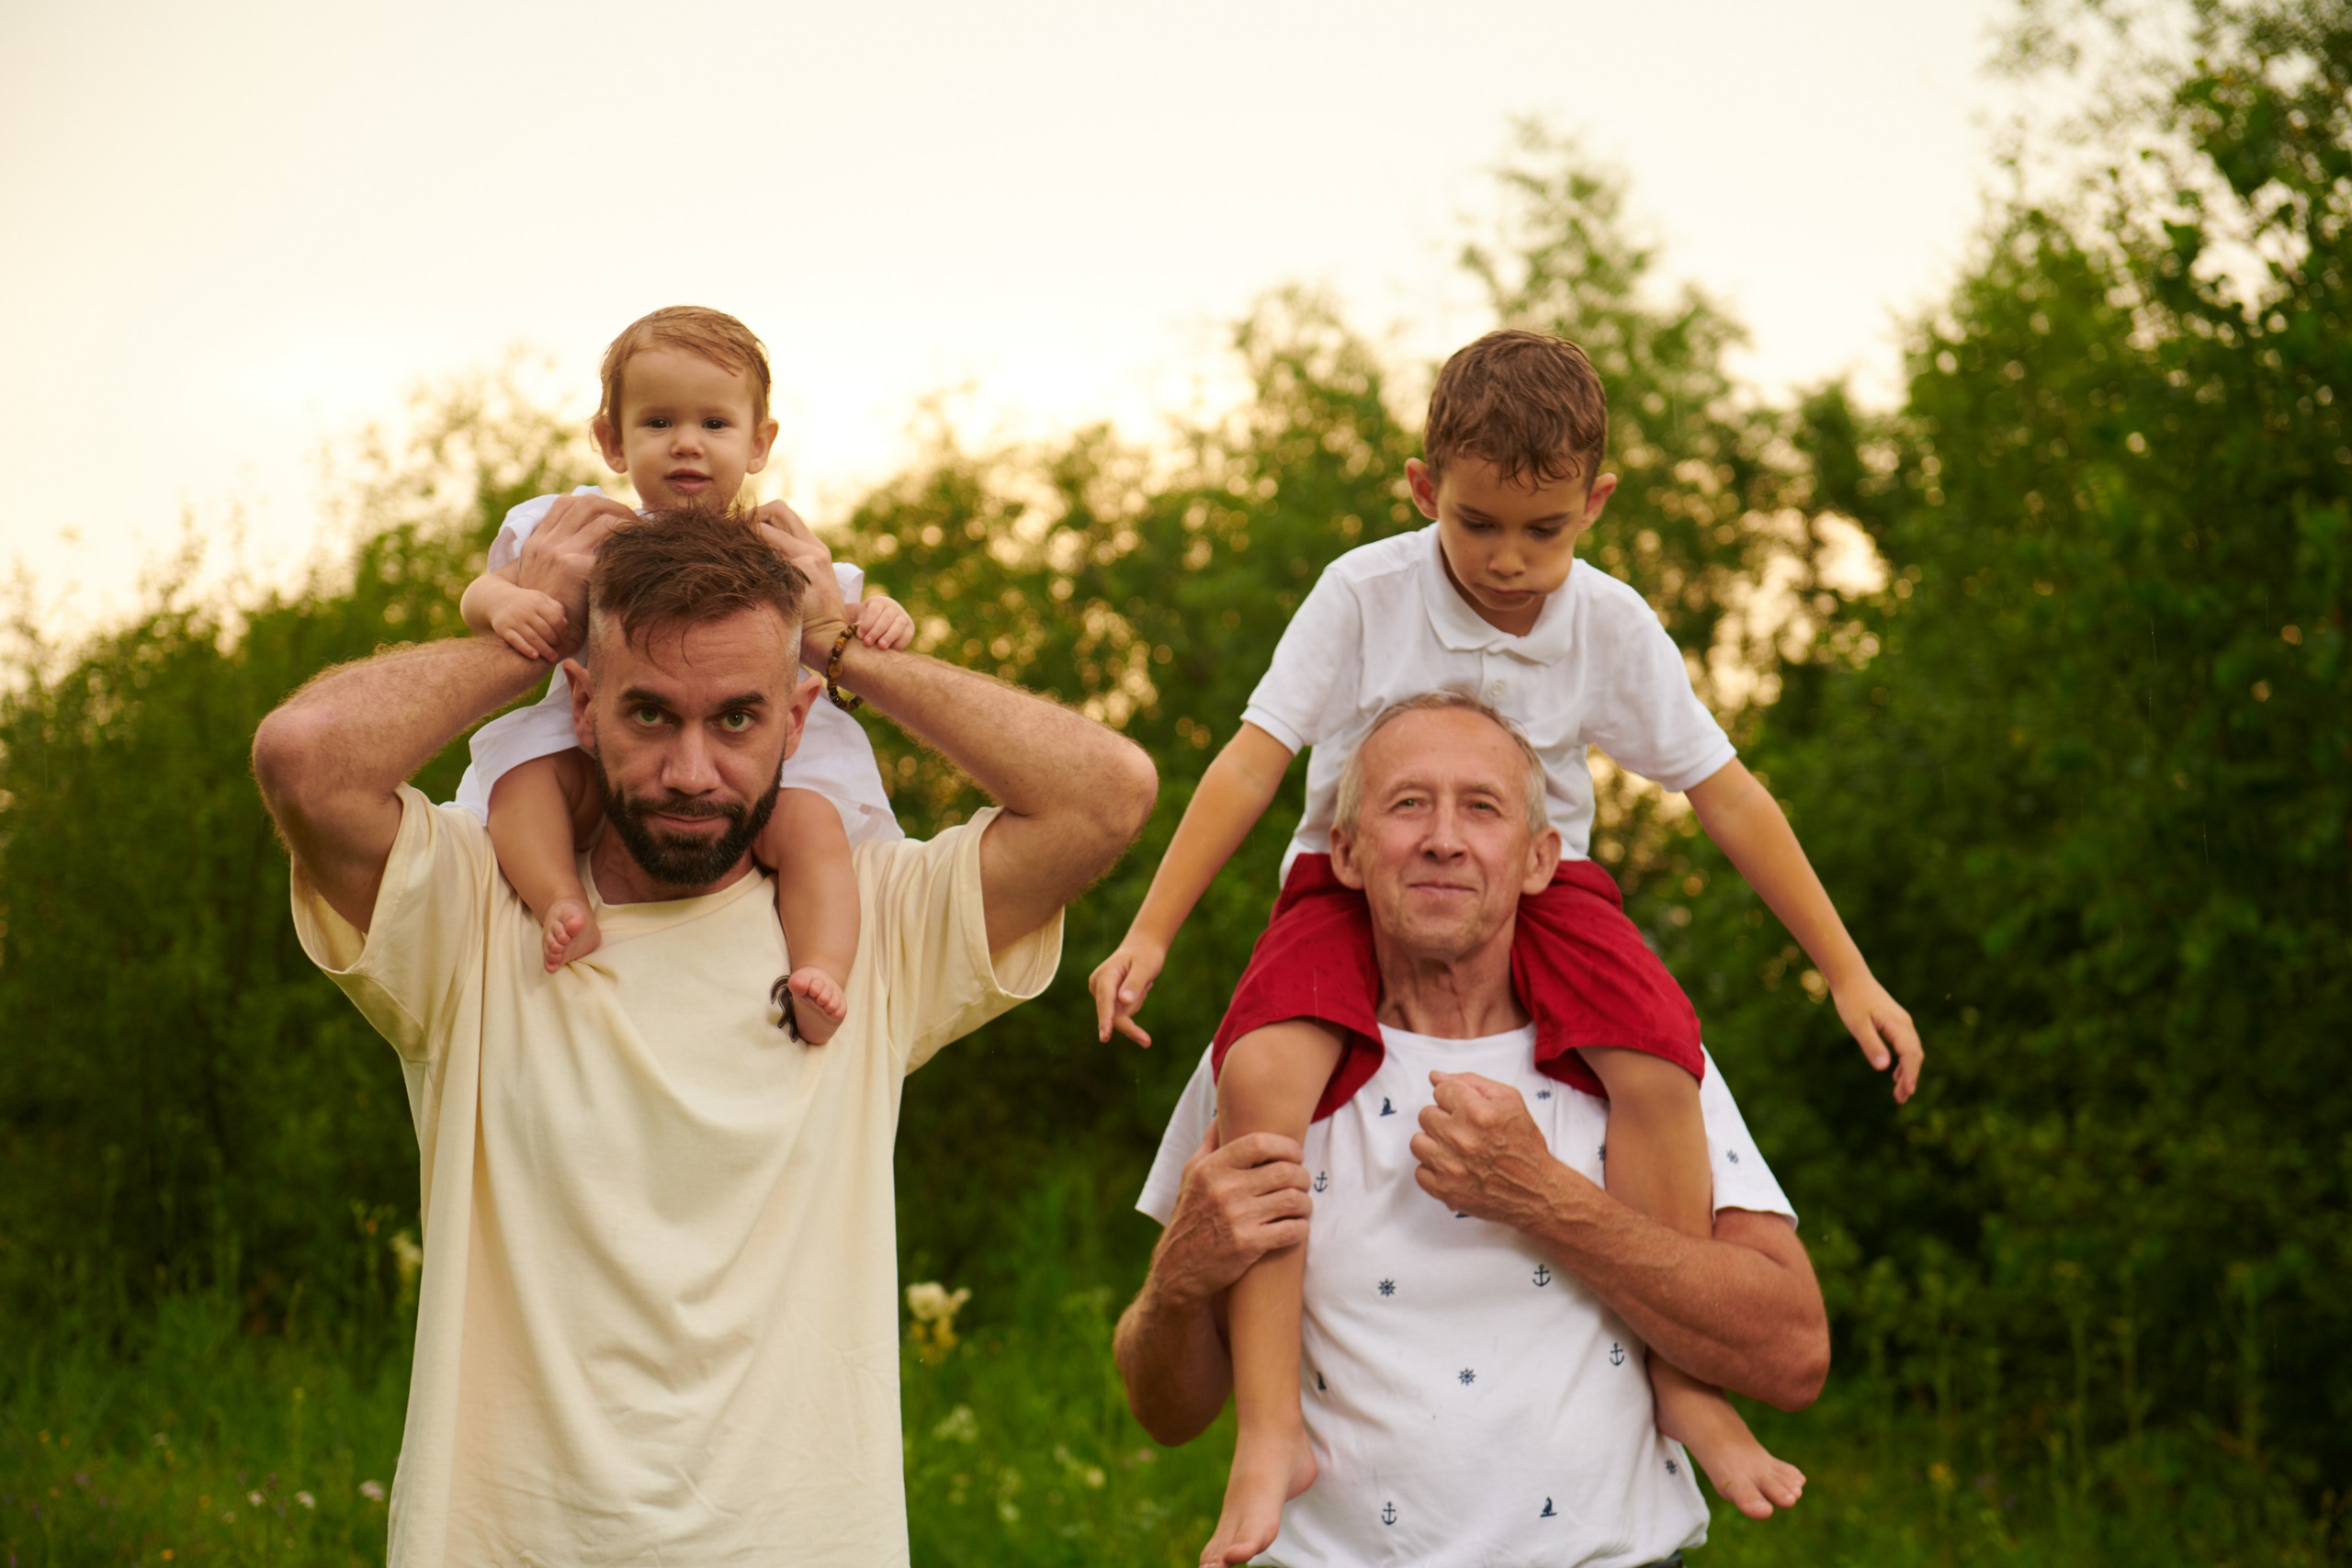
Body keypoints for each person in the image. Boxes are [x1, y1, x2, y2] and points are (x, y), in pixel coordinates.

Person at [1090, 331, 1917, 1562]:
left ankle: (1681, 1387)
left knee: (1656, 1062)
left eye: (1545, 531)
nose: (1510, 561)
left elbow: (1728, 791)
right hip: (1337, 878)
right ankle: (1271, 1430)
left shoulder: (1608, 623)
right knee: (1258, 1073)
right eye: (1479, 525)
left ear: (1596, 505)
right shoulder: (1366, 594)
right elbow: (1255, 759)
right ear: (1423, 489)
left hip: (1558, 889)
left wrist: (1844, 965)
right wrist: (1152, 927)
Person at [251, 504, 1155, 1566]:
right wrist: (524, 636)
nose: (691, 771)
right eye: (648, 715)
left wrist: (835, 637)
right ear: (583, 706)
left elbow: (1105, 795)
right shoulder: (479, 911)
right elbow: (304, 757)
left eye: (736, 716)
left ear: (798, 718)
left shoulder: (865, 921)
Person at [1112, 694, 1832, 1568]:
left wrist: (1549, 1200)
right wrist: (1179, 1279)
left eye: (1481, 807)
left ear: (1538, 859)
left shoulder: (1639, 1055)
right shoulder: (1266, 1056)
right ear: (1345, 851)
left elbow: (1795, 1355)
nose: (1443, 838)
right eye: (1407, 803)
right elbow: (1166, 1410)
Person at [456, 304, 910, 1042]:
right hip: (590, 744)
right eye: (659, 423)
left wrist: (885, 619)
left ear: (760, 442)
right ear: (611, 439)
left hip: (756, 771)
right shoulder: (577, 530)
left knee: (812, 829)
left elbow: (840, 623)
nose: (687, 445)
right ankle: (561, 900)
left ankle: (822, 968)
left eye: (715, 424)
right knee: (523, 785)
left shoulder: (781, 548)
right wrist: (506, 606)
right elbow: (479, 595)